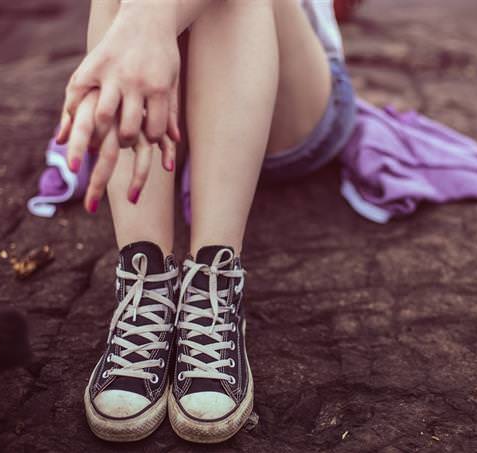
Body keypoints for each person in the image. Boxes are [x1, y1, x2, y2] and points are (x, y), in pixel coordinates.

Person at [56, 0, 356, 444]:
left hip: (289, 95)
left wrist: (143, 22)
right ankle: (146, 281)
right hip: (173, 95)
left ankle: (216, 274)